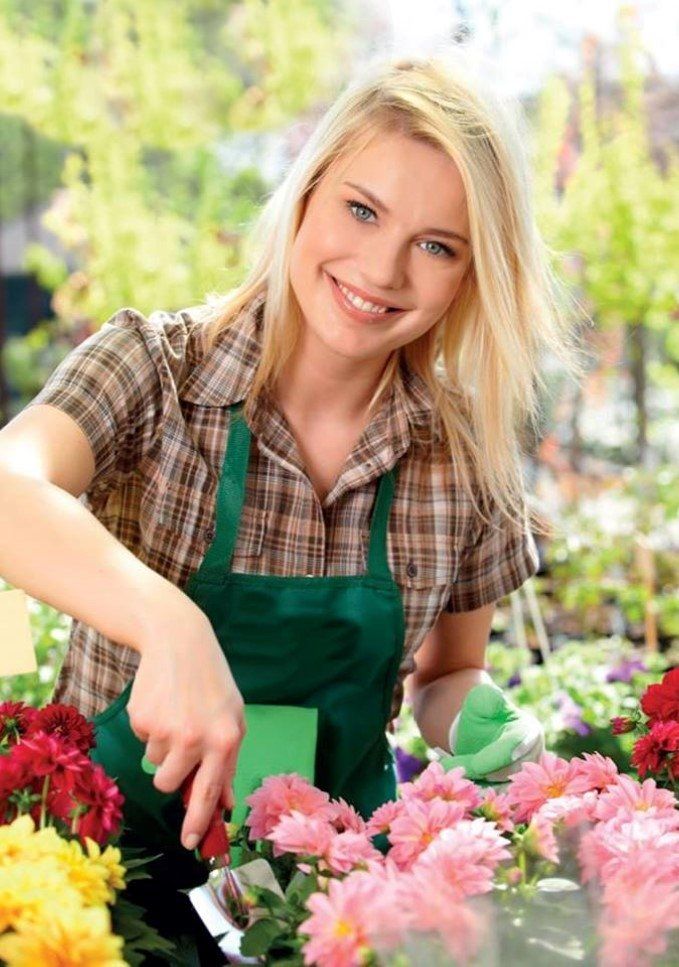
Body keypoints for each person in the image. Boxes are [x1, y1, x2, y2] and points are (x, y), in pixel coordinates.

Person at [0, 52, 584, 958]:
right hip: (90, 891)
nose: (381, 268)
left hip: (320, 910)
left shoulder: (459, 460)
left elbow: (442, 675)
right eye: (361, 209)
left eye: (436, 245)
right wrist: (170, 624)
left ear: (472, 274)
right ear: (305, 195)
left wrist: (491, 730)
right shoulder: (154, 373)